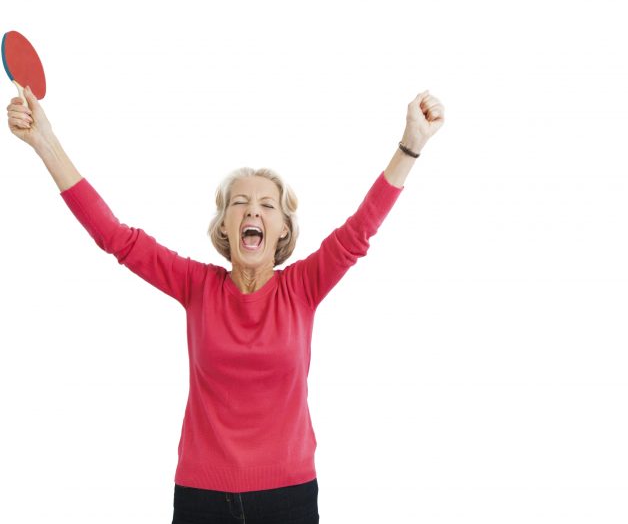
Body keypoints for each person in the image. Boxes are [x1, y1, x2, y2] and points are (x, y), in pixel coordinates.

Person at [6, 86, 445, 523]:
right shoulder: (197, 286)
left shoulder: (303, 287)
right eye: (240, 202)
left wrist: (411, 145)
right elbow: (114, 237)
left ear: (282, 231)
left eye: (266, 205)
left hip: (288, 496)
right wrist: (45, 141)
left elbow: (358, 232)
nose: (252, 211)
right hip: (202, 496)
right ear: (225, 225)